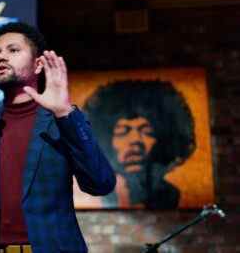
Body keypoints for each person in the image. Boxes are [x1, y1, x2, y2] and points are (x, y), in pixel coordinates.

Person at [0, 22, 116, 253]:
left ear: (38, 66)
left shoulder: (61, 121)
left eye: (13, 50)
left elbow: (101, 184)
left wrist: (64, 113)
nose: (1, 58)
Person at [82, 80, 196, 209]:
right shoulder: (92, 196)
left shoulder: (170, 197)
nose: (136, 140)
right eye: (123, 132)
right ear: (105, 140)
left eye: (147, 131)